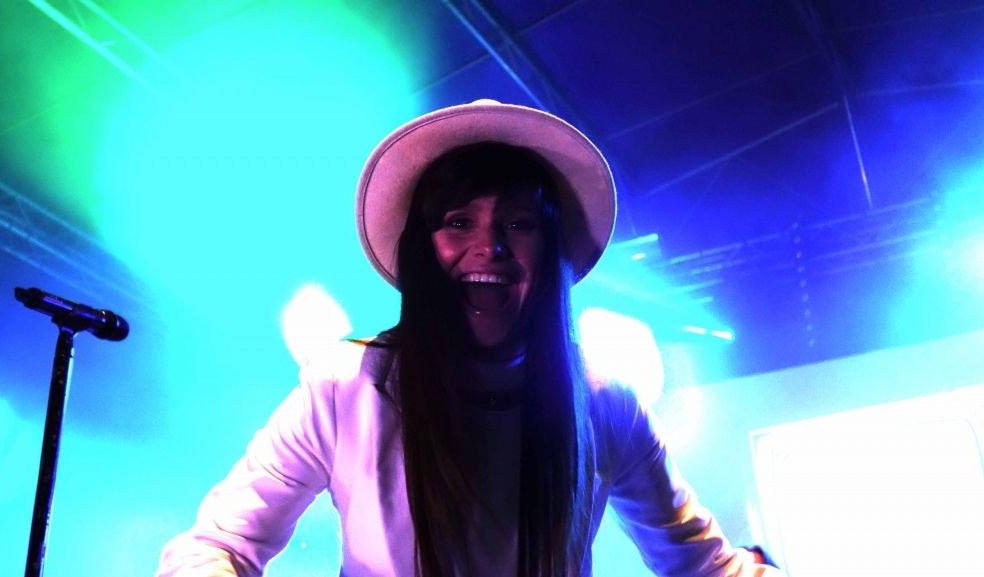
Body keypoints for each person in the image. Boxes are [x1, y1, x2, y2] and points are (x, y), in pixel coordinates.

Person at [156, 100, 784, 577]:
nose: (491, 247)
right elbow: (218, 544)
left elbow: (705, 564)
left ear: (551, 250)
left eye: (518, 223)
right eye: (459, 221)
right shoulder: (346, 387)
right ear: (421, 249)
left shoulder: (605, 400)